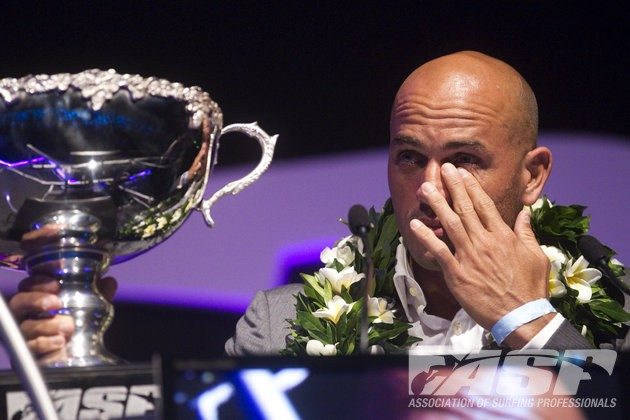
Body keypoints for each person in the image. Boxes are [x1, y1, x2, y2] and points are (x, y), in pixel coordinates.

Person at [8, 51, 621, 362]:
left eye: (464, 160)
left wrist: (528, 323)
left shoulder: (614, 315)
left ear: (533, 174)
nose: (432, 188)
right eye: (410, 157)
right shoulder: (278, 325)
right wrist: (77, 381)